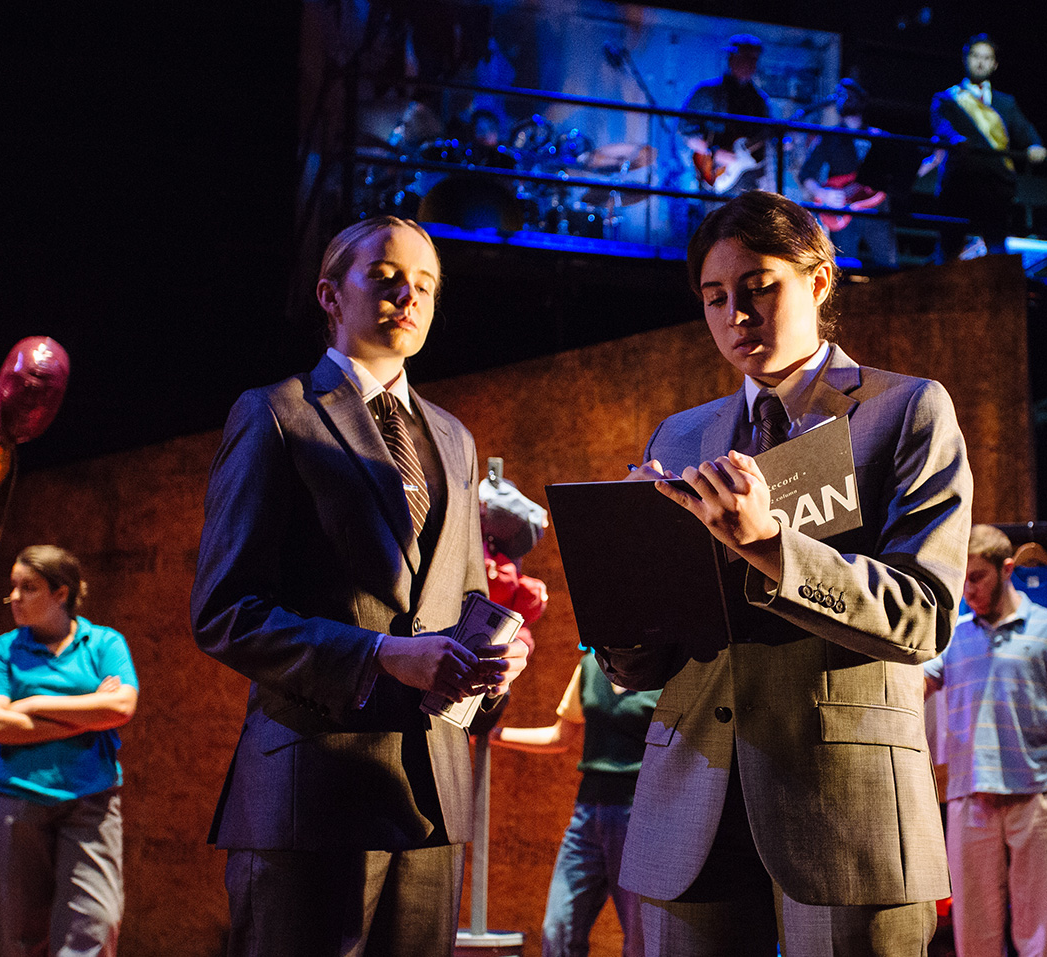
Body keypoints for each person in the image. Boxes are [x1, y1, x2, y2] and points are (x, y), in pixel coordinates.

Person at [598, 190, 972, 956]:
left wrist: (770, 545)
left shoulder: (905, 410)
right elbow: (647, 658)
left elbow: (923, 615)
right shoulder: (682, 433)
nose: (736, 313)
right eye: (714, 297)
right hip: (691, 798)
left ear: (820, 280)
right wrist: (623, 603)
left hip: (847, 804)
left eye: (758, 286)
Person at [191, 214, 531, 956]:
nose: (408, 294)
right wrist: (378, 654)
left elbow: (464, 601)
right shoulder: (277, 413)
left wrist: (496, 662)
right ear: (328, 294)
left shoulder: (454, 437)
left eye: (426, 284)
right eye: (384, 276)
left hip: (431, 800)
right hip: (309, 798)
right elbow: (225, 611)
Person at [924, 524, 1047, 957]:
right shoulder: (953, 635)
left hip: (1037, 797)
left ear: (1007, 569)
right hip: (970, 797)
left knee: (1039, 935)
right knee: (974, 937)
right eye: (961, 578)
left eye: (976, 577)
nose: (968, 589)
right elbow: (912, 690)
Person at [0, 545, 138, 957]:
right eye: (12, 587)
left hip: (90, 800)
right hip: (13, 801)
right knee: (19, 935)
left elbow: (120, 707)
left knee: (94, 924)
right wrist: (88, 713)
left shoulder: (103, 644)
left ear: (60, 593)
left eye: (28, 588)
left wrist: (30, 704)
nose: (15, 597)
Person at [490, 651, 661, 957]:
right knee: (558, 930)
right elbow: (560, 736)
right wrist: (491, 735)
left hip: (640, 817)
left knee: (640, 942)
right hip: (587, 816)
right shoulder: (591, 666)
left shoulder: (662, 670)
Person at [926, 34, 1047, 259]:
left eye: (987, 58)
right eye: (975, 56)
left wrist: (1035, 145)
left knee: (997, 253)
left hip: (996, 186)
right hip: (959, 183)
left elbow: (1025, 130)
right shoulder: (947, 99)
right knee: (948, 252)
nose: (980, 62)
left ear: (994, 64)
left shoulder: (1006, 102)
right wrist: (954, 139)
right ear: (965, 59)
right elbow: (942, 127)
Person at [799, 80, 898, 267]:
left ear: (861, 99)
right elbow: (806, 174)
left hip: (876, 211)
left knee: (888, 268)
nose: (843, 98)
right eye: (840, 94)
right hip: (842, 211)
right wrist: (824, 194)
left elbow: (898, 172)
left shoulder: (880, 138)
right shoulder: (829, 137)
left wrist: (934, 161)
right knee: (842, 268)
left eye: (849, 94)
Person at [681, 34, 773, 197]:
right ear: (732, 59)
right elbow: (685, 131)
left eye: (754, 59)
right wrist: (715, 152)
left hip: (748, 179)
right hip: (714, 177)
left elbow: (766, 137)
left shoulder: (760, 101)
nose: (751, 64)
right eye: (746, 58)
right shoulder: (707, 93)